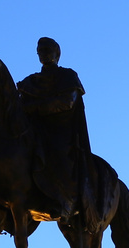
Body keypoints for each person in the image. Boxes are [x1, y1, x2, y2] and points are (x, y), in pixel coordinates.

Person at [17, 37, 90, 219]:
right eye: (40, 50)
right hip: (35, 129)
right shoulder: (31, 82)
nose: (43, 53)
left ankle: (63, 200)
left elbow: (68, 102)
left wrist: (36, 107)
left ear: (57, 54)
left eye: (47, 50)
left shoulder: (67, 76)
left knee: (57, 151)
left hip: (60, 130)